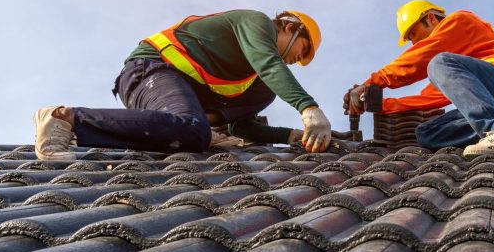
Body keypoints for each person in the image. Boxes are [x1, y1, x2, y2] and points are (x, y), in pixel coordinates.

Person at [33, 9, 332, 159]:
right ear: (290, 27)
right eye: (302, 50)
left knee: (195, 134)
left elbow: (241, 128)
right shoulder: (257, 23)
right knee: (192, 129)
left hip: (172, 101)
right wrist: (308, 108)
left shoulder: (261, 85)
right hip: (149, 70)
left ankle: (194, 128)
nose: (297, 60)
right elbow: (270, 63)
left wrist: (292, 135)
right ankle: (65, 119)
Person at [345, 0, 494, 157]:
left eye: (413, 33)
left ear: (430, 18)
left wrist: (371, 83)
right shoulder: (454, 72)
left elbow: (420, 58)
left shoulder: (460, 21)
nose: (413, 42)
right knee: (427, 133)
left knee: (438, 63)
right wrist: (377, 104)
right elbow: (429, 99)